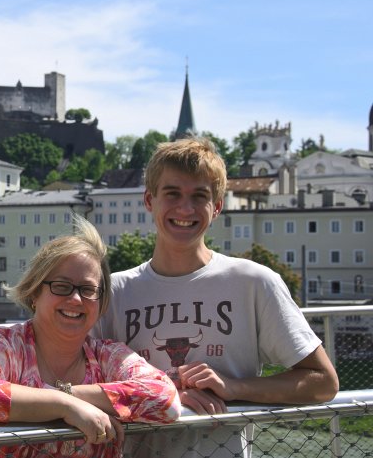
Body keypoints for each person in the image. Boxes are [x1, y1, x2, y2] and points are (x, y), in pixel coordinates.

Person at [98, 137, 339, 458]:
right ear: (149, 200)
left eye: (199, 196)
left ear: (218, 207)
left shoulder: (254, 282)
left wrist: (234, 387)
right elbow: (73, 381)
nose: (185, 208)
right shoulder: (115, 291)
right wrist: (164, 396)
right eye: (172, 194)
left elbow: (323, 382)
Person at [0, 215, 181, 458]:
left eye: (88, 290)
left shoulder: (108, 356)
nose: (76, 299)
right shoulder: (2, 344)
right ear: (35, 292)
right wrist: (64, 406)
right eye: (61, 286)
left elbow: (166, 400)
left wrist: (69, 394)